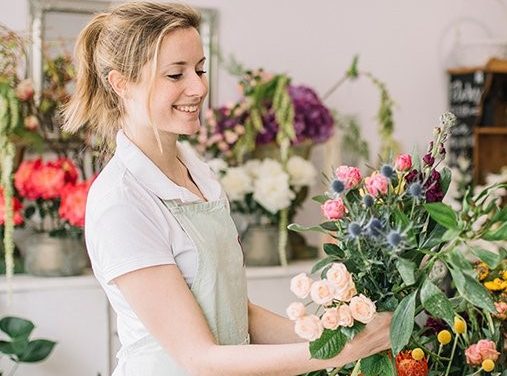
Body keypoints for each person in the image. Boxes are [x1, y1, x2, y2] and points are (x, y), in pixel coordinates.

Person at [62, 2, 392, 375]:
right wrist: (345, 351)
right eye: (175, 74)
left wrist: (339, 335)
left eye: (200, 69)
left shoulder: (197, 173)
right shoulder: (121, 202)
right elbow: (200, 358)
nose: (199, 87)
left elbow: (238, 313)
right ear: (120, 82)